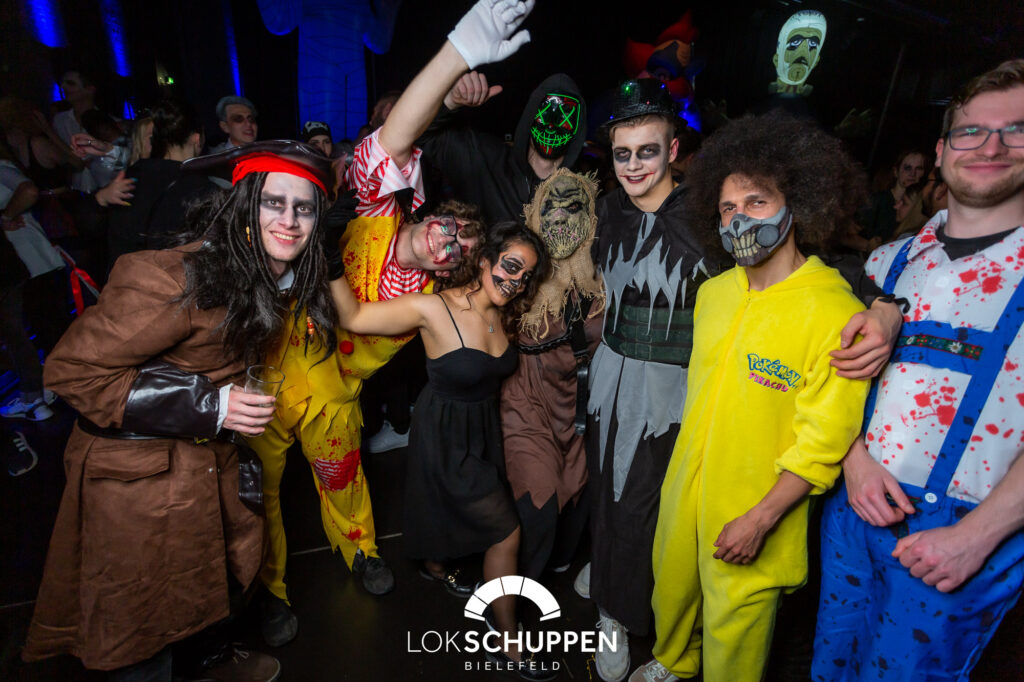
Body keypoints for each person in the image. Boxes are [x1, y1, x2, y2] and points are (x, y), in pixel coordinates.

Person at [247, 0, 530, 648]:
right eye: (449, 227)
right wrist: (458, 55)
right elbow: (395, 136)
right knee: (258, 494)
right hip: (268, 374)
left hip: (335, 396)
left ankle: (362, 553)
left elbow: (487, 306)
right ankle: (269, 590)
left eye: (459, 249)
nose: (446, 243)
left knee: (344, 480)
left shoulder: (430, 298)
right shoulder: (378, 208)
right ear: (431, 213)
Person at [21, 139, 336, 681]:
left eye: (303, 208)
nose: (289, 220)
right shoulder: (173, 277)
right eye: (273, 202)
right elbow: (72, 371)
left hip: (200, 464)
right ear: (243, 205)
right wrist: (211, 405)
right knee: (142, 621)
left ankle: (209, 662)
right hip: (136, 479)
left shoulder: (264, 273)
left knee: (204, 586)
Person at [631, 111, 870, 682]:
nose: (739, 218)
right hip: (687, 485)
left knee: (736, 633)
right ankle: (674, 661)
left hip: (757, 506)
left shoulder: (836, 312)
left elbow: (824, 441)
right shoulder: (713, 293)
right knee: (672, 588)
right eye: (727, 208)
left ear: (797, 206)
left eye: (756, 203)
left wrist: (761, 519)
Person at [813, 58, 1024, 681]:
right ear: (941, 149)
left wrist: (976, 536)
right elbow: (831, 381)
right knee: (831, 667)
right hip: (855, 510)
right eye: (970, 131)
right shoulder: (889, 261)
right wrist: (853, 461)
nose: (990, 146)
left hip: (967, 536)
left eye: (1015, 131)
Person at [332, 220, 553, 681]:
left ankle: (434, 565)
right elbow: (354, 318)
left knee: (444, 508)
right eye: (511, 266)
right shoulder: (433, 308)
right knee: (505, 533)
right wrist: (331, 257)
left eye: (526, 276)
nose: (516, 281)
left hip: (482, 428)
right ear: (486, 258)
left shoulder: (506, 312)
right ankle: (506, 636)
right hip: (444, 432)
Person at [501, 168, 603, 580]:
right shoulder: (519, 273)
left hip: (578, 408)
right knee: (539, 504)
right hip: (526, 404)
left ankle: (552, 566)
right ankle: (517, 593)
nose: (559, 217)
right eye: (550, 208)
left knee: (577, 500)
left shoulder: (606, 275)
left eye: (573, 206)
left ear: (590, 217)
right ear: (534, 215)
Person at [417, 68, 587, 224]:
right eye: (546, 114)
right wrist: (449, 102)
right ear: (531, 115)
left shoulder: (582, 198)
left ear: (577, 129)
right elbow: (421, 137)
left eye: (563, 118)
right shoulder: (484, 158)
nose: (551, 127)